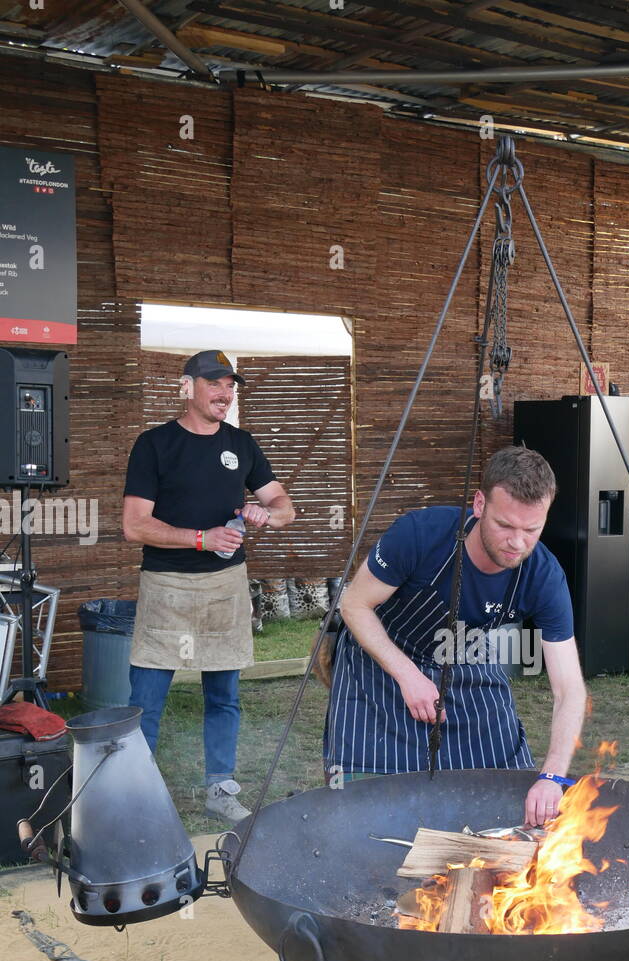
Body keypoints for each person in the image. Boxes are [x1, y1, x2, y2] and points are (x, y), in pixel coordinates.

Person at [326, 445, 587, 826]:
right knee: (371, 806)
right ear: (479, 504)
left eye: (532, 529)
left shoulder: (544, 577)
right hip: (381, 660)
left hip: (465, 657)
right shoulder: (419, 535)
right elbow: (353, 605)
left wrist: (552, 775)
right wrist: (407, 675)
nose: (518, 542)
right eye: (505, 526)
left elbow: (569, 688)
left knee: (503, 790)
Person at [122, 349, 295, 824]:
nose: (225, 393)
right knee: (146, 700)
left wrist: (267, 513)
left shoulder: (242, 444)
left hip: (225, 587)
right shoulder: (154, 444)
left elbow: (284, 505)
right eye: (215, 384)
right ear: (187, 387)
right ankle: (138, 794)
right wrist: (200, 538)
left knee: (224, 696)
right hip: (166, 586)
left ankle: (220, 788)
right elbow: (135, 526)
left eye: (230, 386)